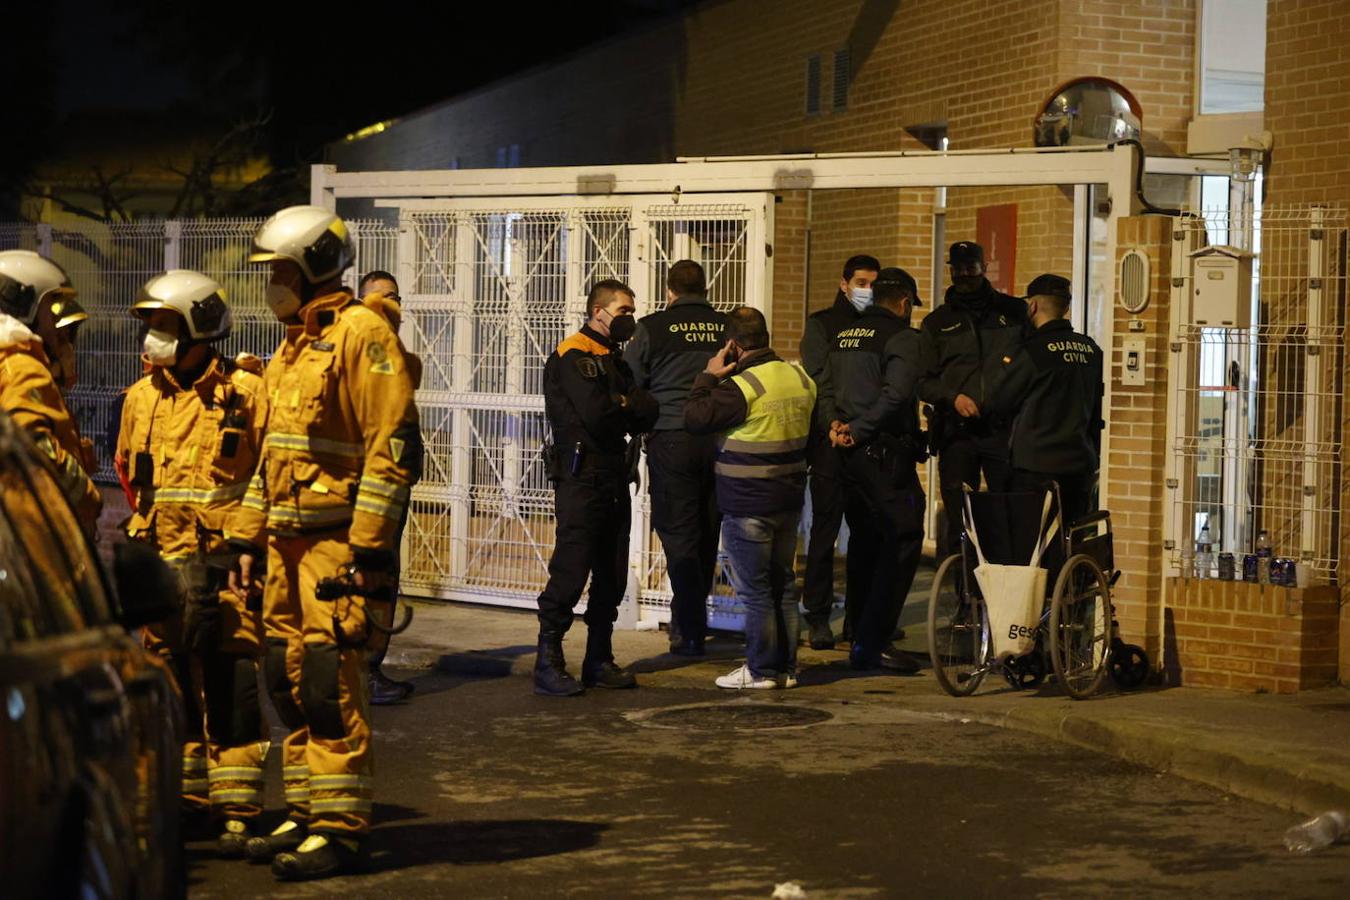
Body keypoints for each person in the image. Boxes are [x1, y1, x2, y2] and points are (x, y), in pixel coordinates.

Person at [232, 206, 421, 880]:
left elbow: (391, 446)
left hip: (335, 546)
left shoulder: (362, 334)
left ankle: (342, 832)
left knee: (329, 682)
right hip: (285, 542)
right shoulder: (294, 344)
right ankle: (310, 811)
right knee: (290, 683)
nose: (271, 283)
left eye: (280, 270)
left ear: (314, 267)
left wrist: (370, 549)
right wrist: (245, 538)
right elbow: (272, 457)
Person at [115, 270, 269, 856]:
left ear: (201, 329)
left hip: (223, 567)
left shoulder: (246, 395)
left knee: (231, 684)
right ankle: (188, 802)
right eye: (150, 325)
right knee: (170, 685)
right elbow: (132, 481)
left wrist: (243, 545)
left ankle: (239, 808)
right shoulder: (138, 397)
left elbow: (265, 478)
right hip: (161, 567)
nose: (151, 338)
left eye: (163, 325)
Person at [534, 279, 658, 696]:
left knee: (612, 573)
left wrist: (626, 405)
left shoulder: (613, 358)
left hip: (612, 476)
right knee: (571, 570)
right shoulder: (574, 353)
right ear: (598, 311)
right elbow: (598, 416)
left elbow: (647, 410)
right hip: (581, 476)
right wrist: (625, 404)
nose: (630, 318)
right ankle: (548, 661)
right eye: (624, 310)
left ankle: (598, 659)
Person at [685, 307, 815, 689]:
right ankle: (786, 669)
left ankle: (760, 671)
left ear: (733, 346)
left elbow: (694, 417)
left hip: (747, 502)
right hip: (789, 499)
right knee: (783, 586)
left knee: (757, 592)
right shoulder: (800, 377)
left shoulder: (742, 387)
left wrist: (708, 375)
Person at [819, 267, 927, 674]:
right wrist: (860, 429)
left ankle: (860, 638)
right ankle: (875, 641)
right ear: (903, 304)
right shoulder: (901, 338)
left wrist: (835, 426)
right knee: (903, 539)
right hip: (883, 456)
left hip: (846, 455)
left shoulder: (844, 335)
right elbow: (897, 395)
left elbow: (825, 389)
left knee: (864, 544)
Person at [625, 259, 728, 656]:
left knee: (678, 533)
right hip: (718, 438)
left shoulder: (651, 328)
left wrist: (645, 422)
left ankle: (688, 625)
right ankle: (690, 620)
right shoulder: (724, 327)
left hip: (671, 438)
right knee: (707, 528)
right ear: (705, 290)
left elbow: (632, 382)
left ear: (670, 292)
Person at [917, 241, 1027, 558]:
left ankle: (1004, 587)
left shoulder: (1013, 312)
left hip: (1003, 430)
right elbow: (923, 381)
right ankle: (961, 592)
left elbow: (1028, 367)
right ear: (951, 270)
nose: (964, 274)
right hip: (956, 432)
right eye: (958, 268)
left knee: (1005, 510)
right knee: (958, 518)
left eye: (971, 267)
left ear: (984, 267)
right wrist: (952, 398)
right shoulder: (936, 323)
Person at [798, 254, 879, 649]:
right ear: (843, 283)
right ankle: (817, 615)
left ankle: (861, 619)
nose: (867, 290)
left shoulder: (880, 326)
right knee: (824, 534)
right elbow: (816, 378)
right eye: (860, 282)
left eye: (872, 283)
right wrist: (832, 424)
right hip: (829, 443)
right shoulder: (822, 325)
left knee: (866, 534)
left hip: (865, 441)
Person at [983, 273, 1103, 525]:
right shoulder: (1091, 350)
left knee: (1033, 545)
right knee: (1072, 536)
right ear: (1066, 307)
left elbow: (999, 400)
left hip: (1035, 467)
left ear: (1033, 306)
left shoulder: (1031, 352)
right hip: (1080, 465)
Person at [0, 250, 101, 532]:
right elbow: (34, 447)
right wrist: (89, 498)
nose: (54, 323)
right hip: (38, 532)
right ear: (24, 306)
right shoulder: (20, 366)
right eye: (49, 308)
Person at [356, 269, 421, 706]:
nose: (388, 306)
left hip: (390, 492)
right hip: (362, 497)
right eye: (379, 299)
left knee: (383, 582)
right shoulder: (356, 349)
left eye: (394, 298)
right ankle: (359, 671)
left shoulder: (393, 354)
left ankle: (370, 667)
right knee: (364, 581)